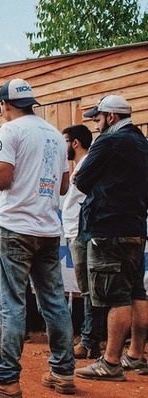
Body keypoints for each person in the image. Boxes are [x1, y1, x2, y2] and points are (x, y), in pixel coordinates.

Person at [0, 78, 75, 397]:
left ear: (4, 104)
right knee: (54, 301)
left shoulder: (10, 130)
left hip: (14, 225)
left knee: (11, 301)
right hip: (47, 227)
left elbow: (1, 181)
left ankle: (5, 378)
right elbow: (63, 187)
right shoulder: (56, 136)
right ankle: (63, 372)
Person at [74, 95, 148, 380]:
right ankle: (136, 356)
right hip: (135, 226)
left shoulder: (108, 141)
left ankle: (111, 362)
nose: (95, 123)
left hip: (108, 227)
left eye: (97, 117)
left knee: (116, 296)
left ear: (112, 117)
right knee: (136, 292)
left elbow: (81, 180)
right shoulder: (143, 143)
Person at [60, 124, 104, 360]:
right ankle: (89, 341)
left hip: (82, 231)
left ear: (75, 143)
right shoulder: (79, 166)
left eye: (65, 141)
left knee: (88, 287)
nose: (63, 145)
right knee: (85, 287)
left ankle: (89, 341)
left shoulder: (87, 164)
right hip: (74, 230)